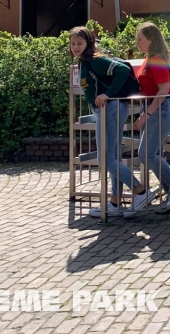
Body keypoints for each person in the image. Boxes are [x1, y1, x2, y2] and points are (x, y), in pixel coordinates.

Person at [69, 26, 147, 218]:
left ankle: (141, 191)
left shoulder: (95, 60)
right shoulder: (85, 62)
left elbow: (120, 69)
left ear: (89, 43)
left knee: (106, 158)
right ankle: (115, 201)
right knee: (113, 157)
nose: (76, 47)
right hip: (106, 109)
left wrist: (107, 94)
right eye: (73, 44)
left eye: (80, 43)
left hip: (109, 109)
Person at [129, 22, 170, 215]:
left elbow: (163, 90)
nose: (137, 43)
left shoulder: (156, 60)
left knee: (146, 153)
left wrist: (147, 114)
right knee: (150, 153)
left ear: (151, 40)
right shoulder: (149, 59)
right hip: (158, 109)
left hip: (162, 109)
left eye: (140, 39)